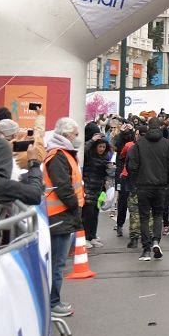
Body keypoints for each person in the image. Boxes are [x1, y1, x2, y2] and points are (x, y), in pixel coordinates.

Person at [44, 117, 84, 318]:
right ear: (67, 134)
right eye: (76, 134)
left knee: (58, 262)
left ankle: (53, 300)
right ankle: (53, 302)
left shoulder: (61, 153)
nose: (77, 138)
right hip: (59, 215)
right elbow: (64, 186)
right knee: (57, 263)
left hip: (60, 214)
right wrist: (74, 205)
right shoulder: (58, 155)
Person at [129, 118, 169, 261]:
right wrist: (166, 180)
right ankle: (156, 241)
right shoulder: (166, 144)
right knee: (158, 215)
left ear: (148, 127)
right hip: (160, 185)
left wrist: (136, 180)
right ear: (160, 127)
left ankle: (146, 249)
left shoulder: (139, 144)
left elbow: (132, 165)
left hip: (143, 185)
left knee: (144, 216)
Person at [82, 136, 114, 247]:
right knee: (88, 214)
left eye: (104, 147)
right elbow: (84, 149)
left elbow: (107, 174)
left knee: (95, 214)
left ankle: (92, 236)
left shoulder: (105, 159)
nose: (101, 149)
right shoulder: (89, 156)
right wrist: (92, 140)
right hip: (88, 188)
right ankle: (86, 237)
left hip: (98, 189)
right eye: (99, 146)